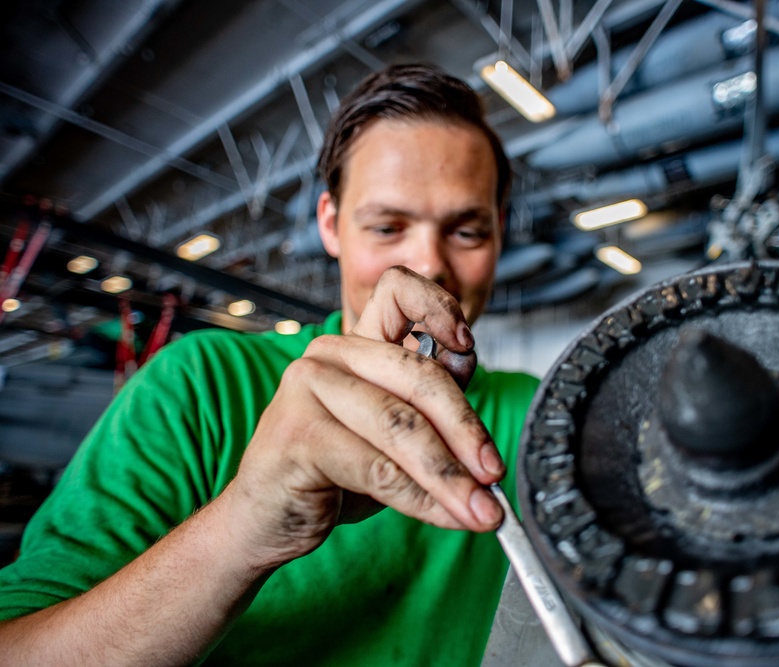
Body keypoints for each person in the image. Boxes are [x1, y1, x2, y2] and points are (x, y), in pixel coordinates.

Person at [0, 63, 540, 665]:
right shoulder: (200, 385)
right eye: (387, 226)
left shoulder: (538, 414)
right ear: (331, 224)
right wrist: (244, 526)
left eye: (467, 232)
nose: (428, 263)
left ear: (498, 235)